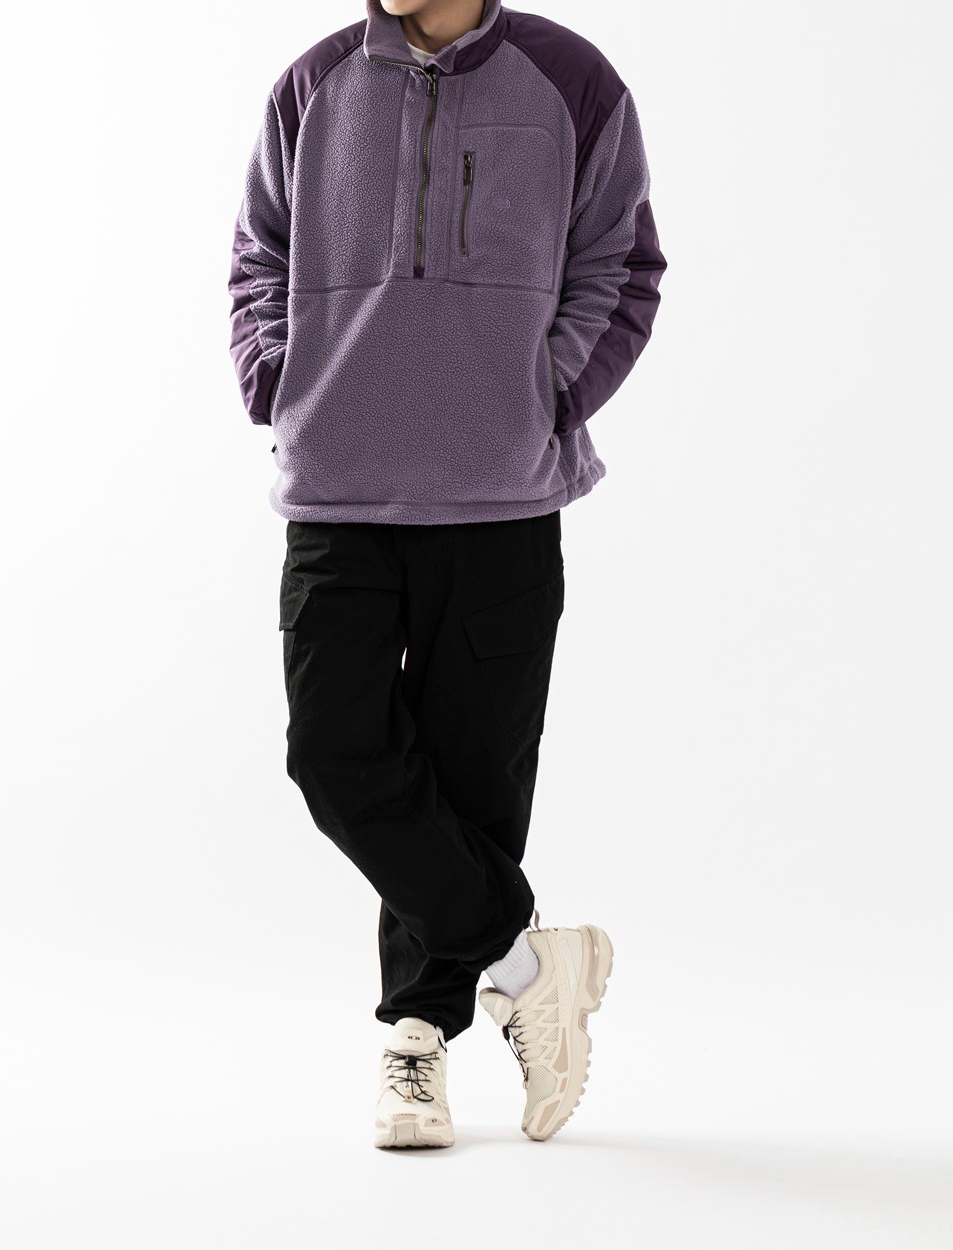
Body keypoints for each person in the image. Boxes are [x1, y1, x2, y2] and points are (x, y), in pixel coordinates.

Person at [227, 0, 667, 1148]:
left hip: (500, 496)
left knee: (470, 780)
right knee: (334, 752)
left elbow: (623, 263)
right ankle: (529, 964)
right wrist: (279, 380)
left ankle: (415, 1036)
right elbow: (260, 251)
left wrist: (543, 393)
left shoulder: (571, 81)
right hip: (339, 486)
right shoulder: (314, 82)